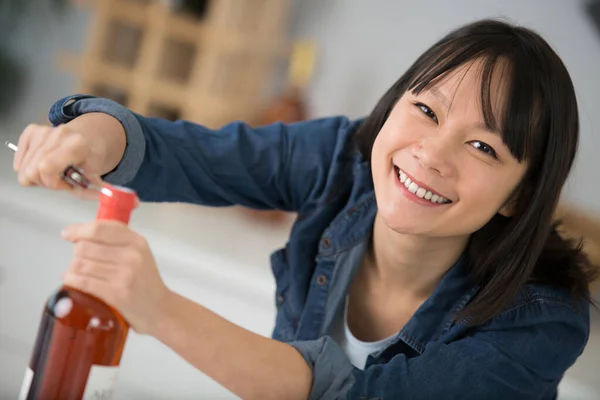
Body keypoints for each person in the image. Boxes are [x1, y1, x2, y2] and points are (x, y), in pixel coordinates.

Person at [12, 18, 599, 399]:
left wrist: (158, 308)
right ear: (393, 105)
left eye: (482, 147)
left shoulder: (540, 323)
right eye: (427, 110)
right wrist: (91, 134)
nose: (431, 155)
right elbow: (191, 156)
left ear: (519, 195)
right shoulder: (343, 159)